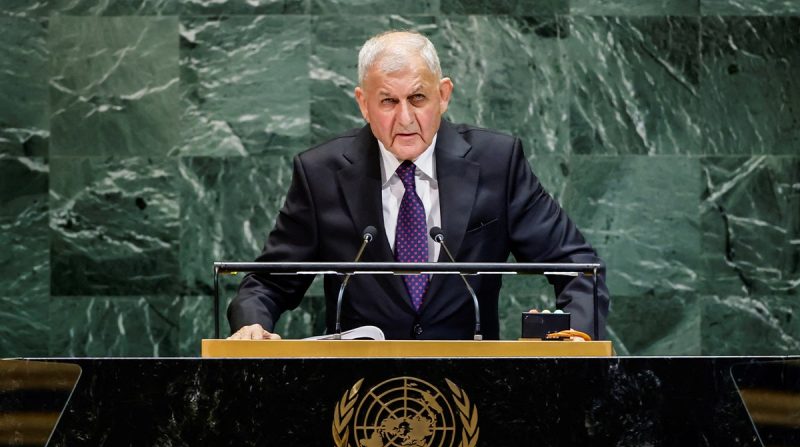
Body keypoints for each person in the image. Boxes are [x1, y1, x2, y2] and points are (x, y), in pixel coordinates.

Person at [227, 30, 609, 340]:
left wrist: (576, 334)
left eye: (418, 98)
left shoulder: (497, 162)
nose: (406, 118)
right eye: (388, 102)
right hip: (358, 392)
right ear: (363, 104)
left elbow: (577, 265)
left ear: (443, 95)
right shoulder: (320, 173)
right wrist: (252, 325)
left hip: (473, 388)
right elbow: (268, 283)